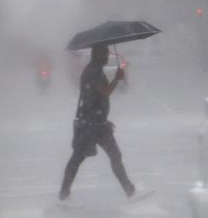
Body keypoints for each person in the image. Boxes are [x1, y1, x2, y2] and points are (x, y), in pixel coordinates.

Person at [59, 45, 153, 204]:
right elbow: (104, 92)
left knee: (96, 157)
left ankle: (129, 191)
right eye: (105, 53)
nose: (107, 56)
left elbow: (96, 98)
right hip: (92, 124)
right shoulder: (92, 72)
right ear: (97, 54)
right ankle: (63, 196)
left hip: (94, 122)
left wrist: (104, 119)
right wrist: (117, 78)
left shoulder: (95, 70)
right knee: (82, 158)